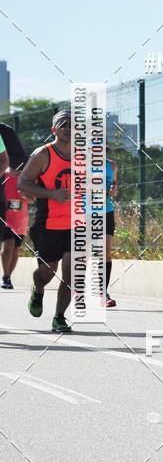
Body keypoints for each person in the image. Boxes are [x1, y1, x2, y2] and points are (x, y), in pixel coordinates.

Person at [18, 111, 72, 333]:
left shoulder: (86, 156)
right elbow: (23, 183)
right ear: (54, 130)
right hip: (48, 224)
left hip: (76, 225)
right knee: (47, 272)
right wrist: (52, 194)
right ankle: (38, 288)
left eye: (74, 125)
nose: (69, 128)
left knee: (73, 271)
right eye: (64, 124)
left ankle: (59, 317)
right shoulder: (43, 154)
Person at [1, 167, 30, 289]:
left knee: (15, 250)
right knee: (8, 245)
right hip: (5, 218)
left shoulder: (26, 177)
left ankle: (8, 277)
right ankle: (4, 277)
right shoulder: (4, 175)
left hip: (20, 220)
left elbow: (33, 198)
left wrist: (25, 196)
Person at [102, 150, 118, 307]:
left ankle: (103, 293)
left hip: (106, 211)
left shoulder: (112, 165)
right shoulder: (80, 165)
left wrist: (112, 190)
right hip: (85, 212)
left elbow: (115, 189)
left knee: (105, 253)